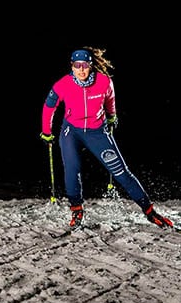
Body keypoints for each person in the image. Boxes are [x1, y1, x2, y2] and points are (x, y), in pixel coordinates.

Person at [39, 47, 173, 230]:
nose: (81, 70)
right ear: (72, 66)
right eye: (77, 65)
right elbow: (49, 107)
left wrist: (112, 116)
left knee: (121, 172)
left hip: (97, 132)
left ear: (90, 65)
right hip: (72, 132)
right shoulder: (63, 84)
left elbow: (110, 100)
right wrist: (46, 132)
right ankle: (77, 210)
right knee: (72, 169)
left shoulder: (104, 82)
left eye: (85, 65)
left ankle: (149, 211)